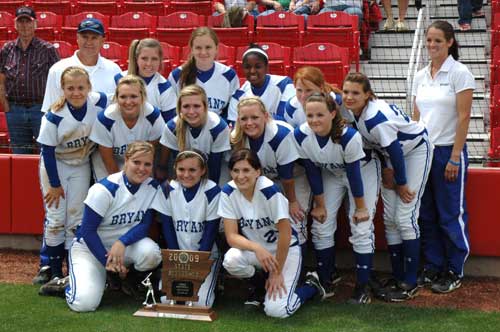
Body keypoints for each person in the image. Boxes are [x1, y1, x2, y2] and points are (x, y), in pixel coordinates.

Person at [342, 72, 433, 302]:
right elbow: (384, 151)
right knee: (390, 218)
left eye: (355, 93)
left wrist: (401, 183)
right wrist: (386, 168)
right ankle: (398, 274)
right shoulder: (355, 113)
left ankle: (410, 282)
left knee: (405, 216)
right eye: (346, 92)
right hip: (394, 157)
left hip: (415, 150)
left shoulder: (375, 117)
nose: (349, 97)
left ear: (368, 95)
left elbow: (395, 151)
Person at [294, 92, 379, 304]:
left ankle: (363, 285)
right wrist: (320, 205)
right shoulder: (301, 135)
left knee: (361, 225)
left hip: (362, 171)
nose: (314, 120)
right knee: (321, 224)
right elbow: (312, 170)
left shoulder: (348, 135)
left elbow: (354, 174)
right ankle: (326, 278)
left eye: (320, 114)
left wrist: (360, 207)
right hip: (331, 173)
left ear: (333, 113)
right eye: (310, 115)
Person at [218, 148, 325, 318]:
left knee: (277, 310)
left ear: (257, 172)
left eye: (246, 170)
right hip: (260, 252)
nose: (240, 176)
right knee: (231, 260)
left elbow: (286, 234)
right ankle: (260, 286)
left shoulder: (269, 191)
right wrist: (256, 248)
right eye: (236, 170)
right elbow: (231, 236)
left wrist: (276, 273)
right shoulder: (228, 192)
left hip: (285, 250)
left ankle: (311, 286)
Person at [412, 20, 474, 293]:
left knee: (450, 214)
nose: (432, 45)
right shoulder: (420, 75)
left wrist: (455, 157)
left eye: (438, 40)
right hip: (423, 153)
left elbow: (464, 117)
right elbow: (416, 118)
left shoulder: (460, 73)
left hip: (449, 151)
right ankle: (433, 265)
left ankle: (454, 268)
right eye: (429, 40)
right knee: (425, 213)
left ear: (450, 42)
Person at [64, 142, 162, 312]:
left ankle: (130, 280)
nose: (142, 168)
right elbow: (87, 231)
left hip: (123, 246)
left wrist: (122, 242)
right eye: (136, 162)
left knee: (151, 253)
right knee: (84, 304)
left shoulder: (152, 187)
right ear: (126, 160)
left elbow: (145, 225)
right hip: (91, 248)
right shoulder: (105, 189)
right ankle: (66, 284)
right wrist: (107, 262)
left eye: (147, 164)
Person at [36, 67, 108, 296]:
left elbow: (113, 101)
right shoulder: (54, 115)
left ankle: (71, 268)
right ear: (62, 89)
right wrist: (55, 185)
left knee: (75, 217)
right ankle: (52, 269)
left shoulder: (98, 102)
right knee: (56, 217)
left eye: (81, 87)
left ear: (89, 87)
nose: (76, 92)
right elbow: (47, 150)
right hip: (55, 166)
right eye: (70, 88)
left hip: (80, 164)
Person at [231, 97, 307, 252]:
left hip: (294, 177)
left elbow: (287, 175)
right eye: (244, 118)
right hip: (265, 179)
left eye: (255, 117)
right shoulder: (237, 137)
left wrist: (292, 201)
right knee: (264, 222)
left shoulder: (280, 134)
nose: (249, 123)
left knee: (295, 221)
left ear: (265, 116)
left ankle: (300, 269)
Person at [151, 150, 221, 307]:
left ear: (202, 171)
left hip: (206, 256)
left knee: (200, 303)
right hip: (177, 256)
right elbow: (167, 229)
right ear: (175, 168)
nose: (186, 174)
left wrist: (196, 269)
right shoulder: (168, 188)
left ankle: (213, 282)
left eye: (192, 170)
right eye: (181, 169)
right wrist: (178, 264)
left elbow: (210, 233)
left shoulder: (212, 190)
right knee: (168, 300)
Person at [0, 6, 60, 154]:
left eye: (28, 21)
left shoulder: (48, 49)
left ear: (35, 24)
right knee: (20, 154)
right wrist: (6, 105)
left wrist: (51, 109)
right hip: (15, 110)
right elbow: (1, 79)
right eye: (21, 22)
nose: (24, 25)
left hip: (40, 110)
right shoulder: (7, 49)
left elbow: (59, 81)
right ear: (15, 24)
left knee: (46, 153)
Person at [90, 75, 164, 181]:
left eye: (133, 96)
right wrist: (121, 184)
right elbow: (108, 159)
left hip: (139, 161)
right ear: (117, 98)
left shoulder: (152, 116)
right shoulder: (106, 118)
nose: (128, 102)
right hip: (109, 161)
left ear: (142, 97)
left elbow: (150, 152)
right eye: (123, 97)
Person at [41, 17, 121, 113]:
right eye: (85, 37)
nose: (89, 42)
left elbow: (118, 108)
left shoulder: (114, 70)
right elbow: (50, 110)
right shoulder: (57, 69)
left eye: (94, 37)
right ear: (77, 38)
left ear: (103, 40)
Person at [157, 85, 231, 184]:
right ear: (180, 108)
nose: (191, 111)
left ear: (205, 107)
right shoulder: (172, 128)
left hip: (215, 171)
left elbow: (215, 167)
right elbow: (175, 163)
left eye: (196, 106)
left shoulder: (218, 127)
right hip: (186, 172)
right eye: (186, 106)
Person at [167, 27, 239, 118]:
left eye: (208, 47)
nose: (203, 52)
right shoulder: (177, 76)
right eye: (198, 48)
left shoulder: (229, 75)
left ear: (216, 48)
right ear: (192, 49)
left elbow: (232, 113)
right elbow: (172, 113)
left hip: (218, 130)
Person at [114, 38, 177, 123]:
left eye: (154, 59)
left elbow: (170, 125)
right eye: (144, 58)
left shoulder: (164, 88)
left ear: (160, 60)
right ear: (137, 58)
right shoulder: (119, 79)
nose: (149, 64)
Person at [228, 44, 295, 123]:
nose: (252, 71)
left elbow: (285, 121)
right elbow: (235, 129)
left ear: (267, 68)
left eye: (258, 67)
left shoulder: (284, 84)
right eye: (247, 67)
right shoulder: (238, 96)